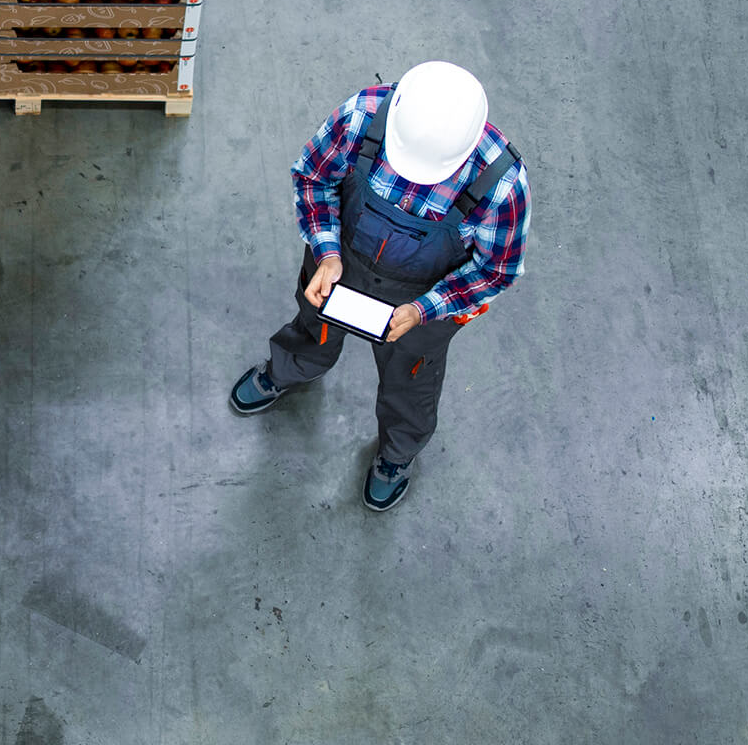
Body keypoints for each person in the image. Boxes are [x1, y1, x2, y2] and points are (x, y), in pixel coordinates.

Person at [227, 61, 530, 512]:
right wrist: (328, 253)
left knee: (412, 379)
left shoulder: (502, 186)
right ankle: (290, 367)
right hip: (340, 262)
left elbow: (494, 271)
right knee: (314, 325)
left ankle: (396, 454)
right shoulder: (362, 116)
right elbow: (313, 178)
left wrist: (423, 310)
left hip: (422, 301)